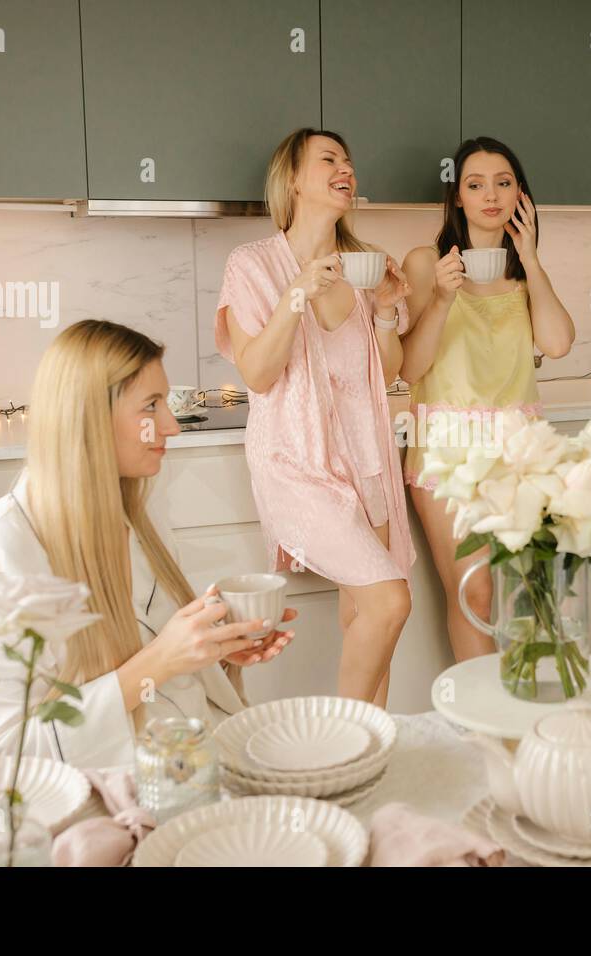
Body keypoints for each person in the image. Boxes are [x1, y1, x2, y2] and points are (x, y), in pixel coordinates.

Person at [0, 320, 295, 768]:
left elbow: (161, 677)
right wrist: (158, 662)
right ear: (88, 418)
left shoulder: (143, 516)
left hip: (189, 764)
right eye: (151, 406)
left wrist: (216, 652)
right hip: (95, 805)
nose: (171, 427)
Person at [214, 128, 413, 706]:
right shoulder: (251, 264)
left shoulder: (361, 268)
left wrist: (387, 312)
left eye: (349, 160)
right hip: (296, 463)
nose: (346, 167)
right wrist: (295, 293)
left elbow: (388, 371)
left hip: (367, 458)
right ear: (293, 179)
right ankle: (341, 739)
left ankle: (375, 758)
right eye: (329, 159)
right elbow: (257, 372)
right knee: (390, 599)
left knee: (368, 616)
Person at [400, 137, 575, 661]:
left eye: (503, 183)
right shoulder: (425, 262)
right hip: (447, 448)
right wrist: (440, 298)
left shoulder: (525, 273)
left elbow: (558, 343)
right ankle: (482, 730)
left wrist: (532, 258)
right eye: (475, 185)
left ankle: (512, 715)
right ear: (458, 197)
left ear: (520, 193)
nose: (490, 195)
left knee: (523, 593)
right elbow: (409, 367)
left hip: (519, 452)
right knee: (473, 590)